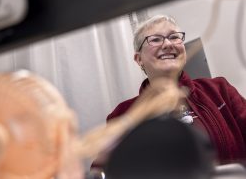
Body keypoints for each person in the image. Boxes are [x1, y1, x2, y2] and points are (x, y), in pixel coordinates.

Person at [92, 14, 246, 170]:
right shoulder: (122, 114)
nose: (167, 44)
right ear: (139, 59)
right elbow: (101, 171)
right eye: (155, 39)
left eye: (174, 37)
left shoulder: (220, 90)